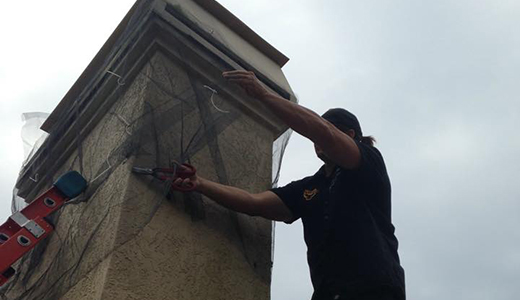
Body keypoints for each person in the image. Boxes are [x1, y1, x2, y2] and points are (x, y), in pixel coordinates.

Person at [173, 70, 406, 300]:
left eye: (325, 131)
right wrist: (200, 183)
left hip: (376, 290)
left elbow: (324, 132)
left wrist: (263, 94)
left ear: (350, 134)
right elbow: (254, 203)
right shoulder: (310, 187)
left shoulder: (368, 163)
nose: (316, 141)